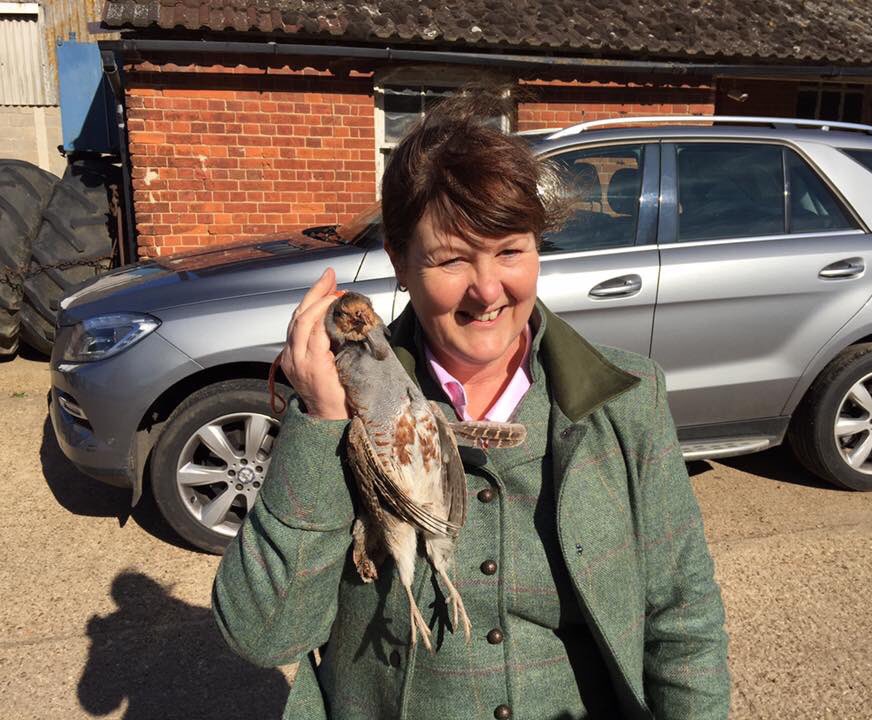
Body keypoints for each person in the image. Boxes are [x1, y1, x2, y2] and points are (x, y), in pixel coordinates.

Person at [213, 93, 729, 720]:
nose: (488, 291)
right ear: (401, 264)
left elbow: (682, 615)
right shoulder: (338, 410)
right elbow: (264, 636)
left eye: (511, 250)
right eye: (452, 258)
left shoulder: (628, 399)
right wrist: (320, 425)